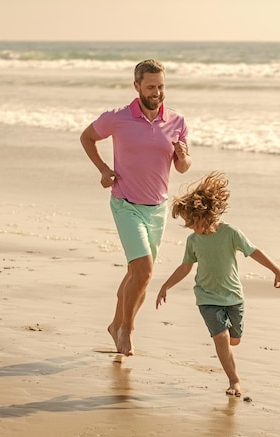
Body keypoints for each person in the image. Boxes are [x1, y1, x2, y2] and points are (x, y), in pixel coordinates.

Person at [80, 59, 192, 357]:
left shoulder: (177, 121)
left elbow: (182, 167)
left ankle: (116, 323)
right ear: (137, 87)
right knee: (143, 271)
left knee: (137, 273)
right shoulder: (117, 118)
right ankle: (127, 330)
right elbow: (87, 137)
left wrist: (183, 156)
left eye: (161, 86)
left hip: (158, 208)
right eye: (151, 86)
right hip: (126, 203)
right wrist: (104, 169)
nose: (157, 92)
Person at [155, 172, 280, 397]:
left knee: (234, 340)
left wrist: (277, 270)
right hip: (207, 298)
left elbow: (253, 251)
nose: (191, 228)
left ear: (205, 215)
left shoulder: (230, 233)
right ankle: (234, 381)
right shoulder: (193, 240)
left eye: (193, 222)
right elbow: (185, 267)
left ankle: (230, 362)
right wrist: (165, 286)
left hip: (233, 297)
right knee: (221, 338)